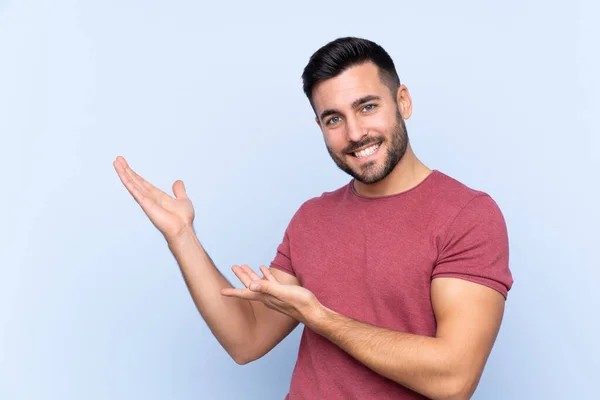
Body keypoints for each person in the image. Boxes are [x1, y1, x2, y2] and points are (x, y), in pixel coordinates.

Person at [114, 37, 513, 400]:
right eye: (333, 119)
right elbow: (247, 340)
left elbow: (454, 379)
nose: (355, 133)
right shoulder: (313, 217)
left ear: (403, 101)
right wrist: (182, 237)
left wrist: (319, 317)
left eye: (368, 106)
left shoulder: (468, 215)